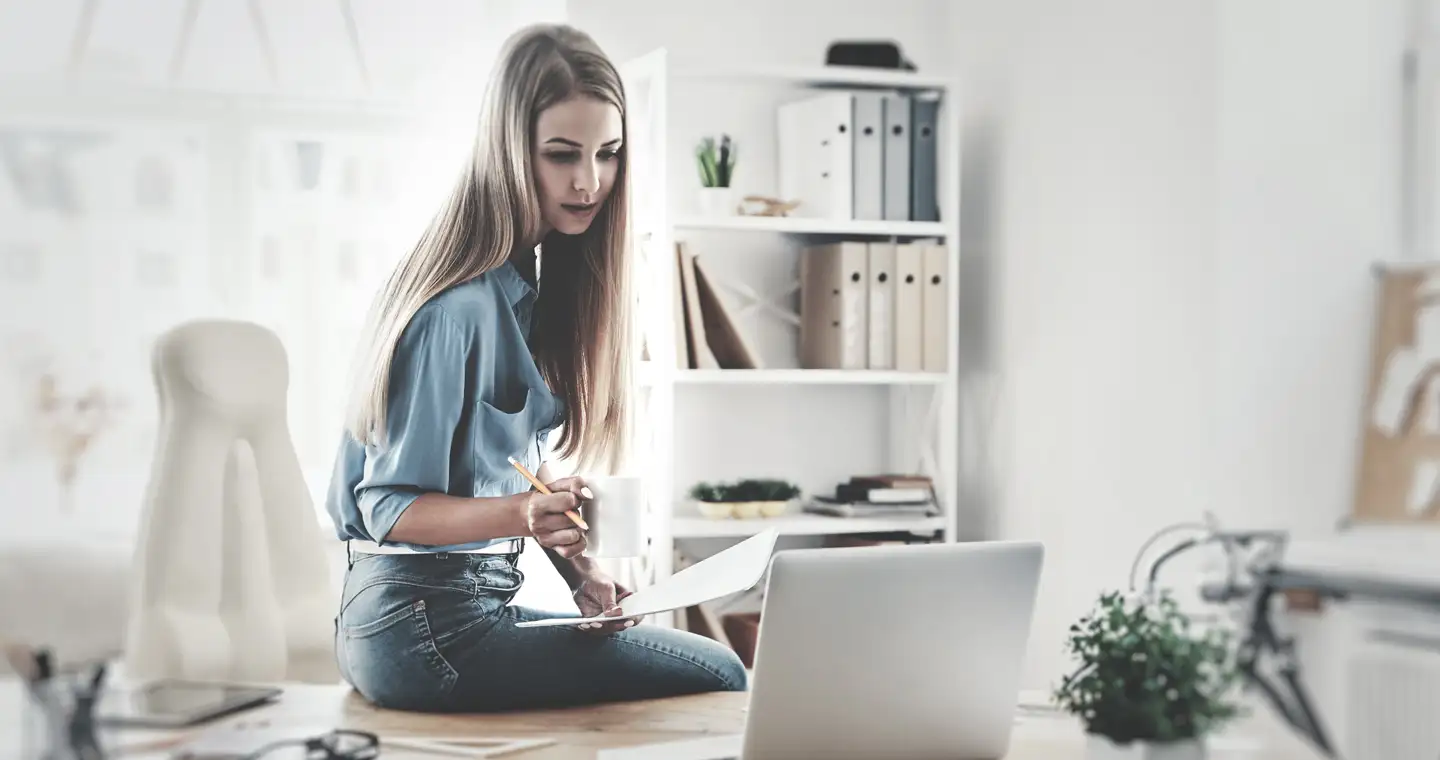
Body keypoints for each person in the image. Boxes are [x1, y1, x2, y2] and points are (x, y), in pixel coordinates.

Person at [324, 23, 747, 713]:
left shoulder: (523, 289)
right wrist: (525, 512)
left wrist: (582, 568)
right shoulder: (459, 308)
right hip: (420, 627)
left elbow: (495, 464)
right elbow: (387, 505)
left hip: (435, 619)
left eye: (608, 154)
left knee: (688, 665)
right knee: (721, 674)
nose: (590, 182)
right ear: (509, 152)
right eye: (561, 155)